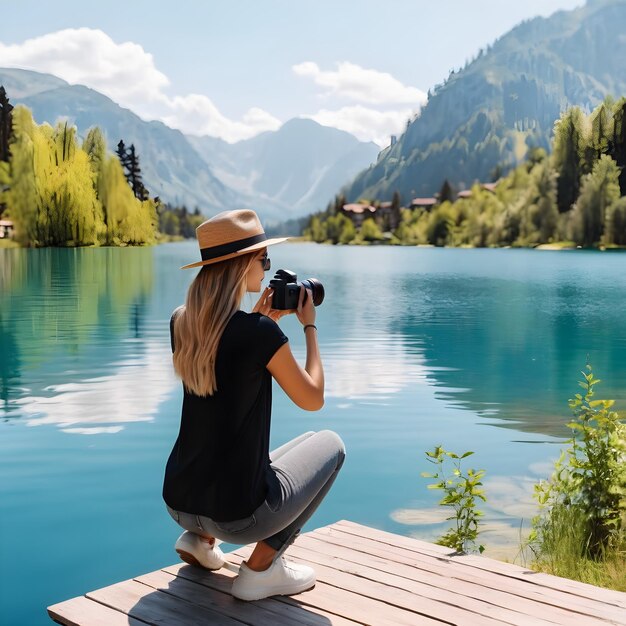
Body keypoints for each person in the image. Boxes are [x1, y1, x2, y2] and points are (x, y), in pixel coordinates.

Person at [162, 209, 346, 602]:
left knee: (306, 442)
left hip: (181, 504)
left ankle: (200, 540)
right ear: (243, 263)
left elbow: (228, 359)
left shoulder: (182, 323)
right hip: (239, 518)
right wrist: (308, 326)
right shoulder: (258, 333)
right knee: (330, 445)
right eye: (264, 260)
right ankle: (261, 570)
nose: (266, 269)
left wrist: (258, 323)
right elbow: (313, 398)